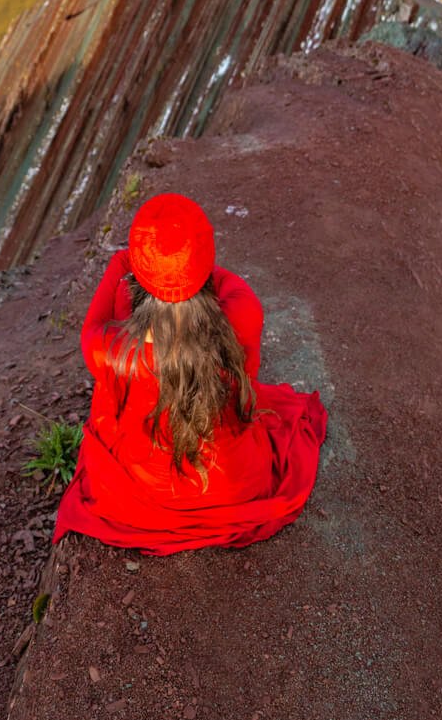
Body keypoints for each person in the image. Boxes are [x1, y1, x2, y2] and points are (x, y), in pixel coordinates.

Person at [54, 190, 327, 554]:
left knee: (119, 359)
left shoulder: (105, 349)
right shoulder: (244, 314)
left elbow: (98, 316)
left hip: (142, 504)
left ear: (140, 267)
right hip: (237, 491)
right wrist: (185, 263)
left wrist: (125, 260)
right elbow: (220, 279)